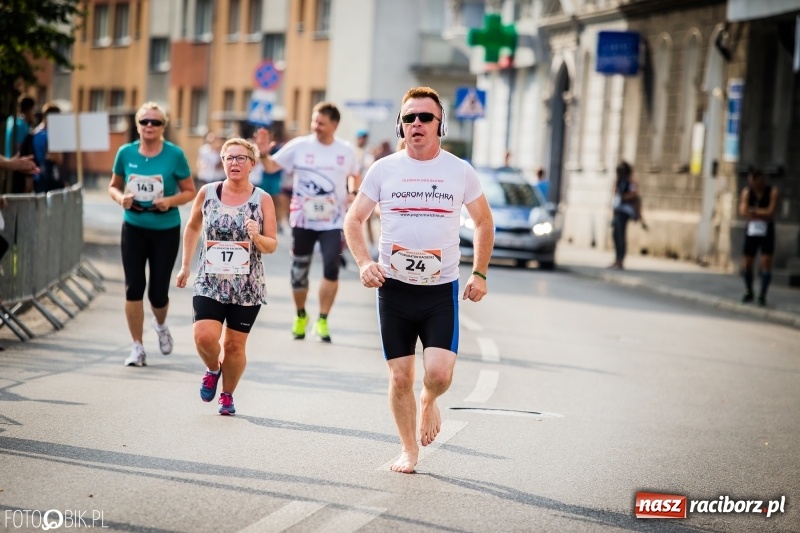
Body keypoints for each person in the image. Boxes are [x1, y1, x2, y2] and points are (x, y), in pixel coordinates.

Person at [343, 86, 494, 474]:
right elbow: (354, 219)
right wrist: (364, 263)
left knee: (439, 375)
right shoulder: (383, 169)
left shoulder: (459, 171)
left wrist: (479, 272)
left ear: (440, 125)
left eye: (426, 117)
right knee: (399, 377)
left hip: (439, 292)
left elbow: (483, 221)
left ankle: (429, 398)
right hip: (393, 289)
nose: (417, 124)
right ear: (400, 125)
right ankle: (409, 450)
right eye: (409, 117)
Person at [176, 137, 278, 415]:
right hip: (209, 281)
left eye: (241, 158)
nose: (235, 162)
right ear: (222, 162)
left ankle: (227, 394)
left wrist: (257, 236)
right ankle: (213, 369)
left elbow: (271, 245)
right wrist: (185, 266)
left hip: (247, 286)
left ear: (252, 164)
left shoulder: (263, 199)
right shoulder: (208, 192)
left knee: (234, 346)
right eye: (229, 158)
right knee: (203, 336)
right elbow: (192, 227)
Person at [257, 102, 360, 343]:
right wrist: (262, 154)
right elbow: (271, 166)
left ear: (334, 125)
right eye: (314, 121)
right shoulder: (300, 146)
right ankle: (301, 314)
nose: (315, 126)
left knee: (332, 268)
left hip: (333, 221)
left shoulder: (345, 150)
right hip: (303, 219)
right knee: (299, 272)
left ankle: (322, 319)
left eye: (321, 123)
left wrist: (353, 193)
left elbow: (355, 175)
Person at [108, 102, 196, 367]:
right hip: (134, 226)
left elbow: (190, 191)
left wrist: (169, 201)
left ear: (163, 127)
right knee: (133, 287)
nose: (149, 126)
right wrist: (121, 198)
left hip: (165, 229)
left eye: (155, 122)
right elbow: (114, 186)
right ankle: (137, 347)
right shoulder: (125, 153)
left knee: (158, 293)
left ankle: (160, 325)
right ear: (137, 125)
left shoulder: (174, 154)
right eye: (144, 121)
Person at [738, 168, 778, 306]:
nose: (753, 184)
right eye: (751, 182)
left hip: (766, 230)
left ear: (761, 180)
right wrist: (761, 212)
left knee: (766, 262)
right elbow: (743, 211)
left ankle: (762, 294)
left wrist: (754, 211)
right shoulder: (747, 192)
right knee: (747, 262)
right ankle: (749, 290)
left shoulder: (772, 191)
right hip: (752, 229)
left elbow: (771, 211)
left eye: (756, 181)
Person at [21, 102, 65, 193]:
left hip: (36, 178)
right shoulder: (51, 135)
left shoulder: (33, 134)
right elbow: (58, 158)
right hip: (49, 179)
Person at [609, 161, 641, 270]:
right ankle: (617, 259)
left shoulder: (630, 181)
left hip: (625, 210)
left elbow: (635, 194)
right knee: (615, 235)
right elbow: (615, 194)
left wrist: (624, 197)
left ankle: (620, 260)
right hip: (618, 209)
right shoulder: (619, 180)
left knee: (620, 235)